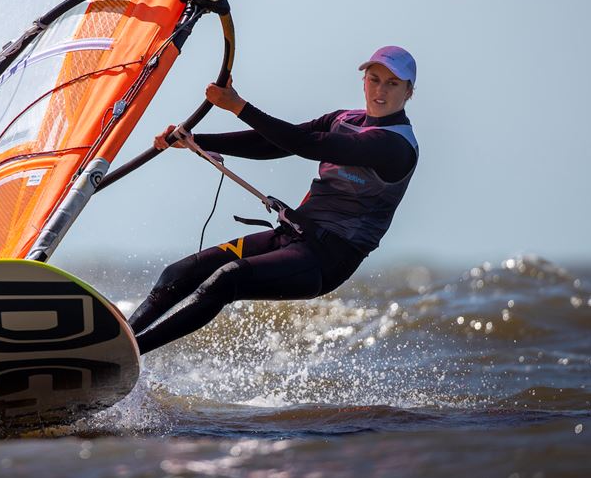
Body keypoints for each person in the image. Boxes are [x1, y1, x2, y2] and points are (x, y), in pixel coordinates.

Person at [129, 46, 419, 355]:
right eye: (374, 79)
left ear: (408, 92)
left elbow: (307, 144)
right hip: (293, 237)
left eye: (392, 84)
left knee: (227, 280)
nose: (380, 90)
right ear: (363, 80)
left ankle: (127, 353)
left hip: (325, 260)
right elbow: (276, 143)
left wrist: (240, 107)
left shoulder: (394, 145)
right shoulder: (344, 119)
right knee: (180, 273)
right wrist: (195, 141)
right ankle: (120, 337)